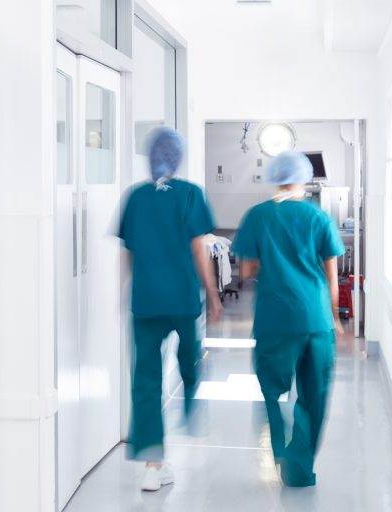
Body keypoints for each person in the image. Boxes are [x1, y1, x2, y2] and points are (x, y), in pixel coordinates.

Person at [118, 127, 222, 492]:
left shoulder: (134, 197)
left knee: (145, 380)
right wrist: (212, 294)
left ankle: (152, 463)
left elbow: (127, 253)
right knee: (191, 358)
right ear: (178, 158)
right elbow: (198, 250)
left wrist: (125, 292)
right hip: (181, 299)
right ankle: (190, 408)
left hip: (145, 301)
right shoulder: (191, 194)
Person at [233, 150, 345, 487]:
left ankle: (281, 450)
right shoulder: (318, 217)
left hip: (275, 319)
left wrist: (275, 262)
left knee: (274, 391)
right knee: (313, 396)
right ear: (303, 178)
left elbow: (248, 268)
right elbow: (331, 275)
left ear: (274, 178)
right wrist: (336, 318)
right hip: (315, 320)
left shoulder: (257, 216)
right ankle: (299, 470)